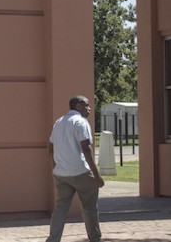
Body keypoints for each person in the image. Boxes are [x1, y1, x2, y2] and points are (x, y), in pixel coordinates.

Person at [46, 95, 105, 242]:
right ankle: (95, 239)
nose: (89, 108)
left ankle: (53, 240)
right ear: (78, 106)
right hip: (81, 172)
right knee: (89, 208)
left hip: (61, 174)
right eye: (86, 105)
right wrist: (96, 175)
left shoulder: (58, 122)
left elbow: (50, 149)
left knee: (60, 209)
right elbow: (86, 148)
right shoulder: (81, 122)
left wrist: (56, 168)